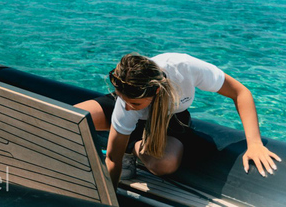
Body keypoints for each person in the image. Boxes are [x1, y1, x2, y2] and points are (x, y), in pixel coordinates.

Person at [75, 52, 281, 187]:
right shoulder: (127, 103)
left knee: (165, 164)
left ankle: (133, 148)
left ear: (156, 90)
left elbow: (240, 92)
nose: (128, 107)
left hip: (170, 119)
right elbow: (112, 159)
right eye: (123, 99)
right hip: (133, 105)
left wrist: (254, 143)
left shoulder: (185, 68)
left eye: (134, 104)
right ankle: (126, 135)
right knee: (72, 117)